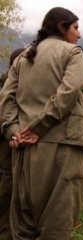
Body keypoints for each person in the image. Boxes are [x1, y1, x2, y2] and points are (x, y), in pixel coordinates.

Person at [0, 7, 83, 239]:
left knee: (24, 224)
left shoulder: (22, 59)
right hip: (63, 146)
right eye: (75, 27)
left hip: (24, 149)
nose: (79, 33)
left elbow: (6, 98)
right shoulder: (72, 53)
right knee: (57, 222)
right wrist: (39, 126)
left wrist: (14, 132)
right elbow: (70, 90)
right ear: (62, 28)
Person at [0, 47, 25, 240]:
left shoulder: (23, 86)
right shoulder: (5, 88)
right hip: (6, 154)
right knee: (7, 195)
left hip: (21, 150)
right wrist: (13, 133)